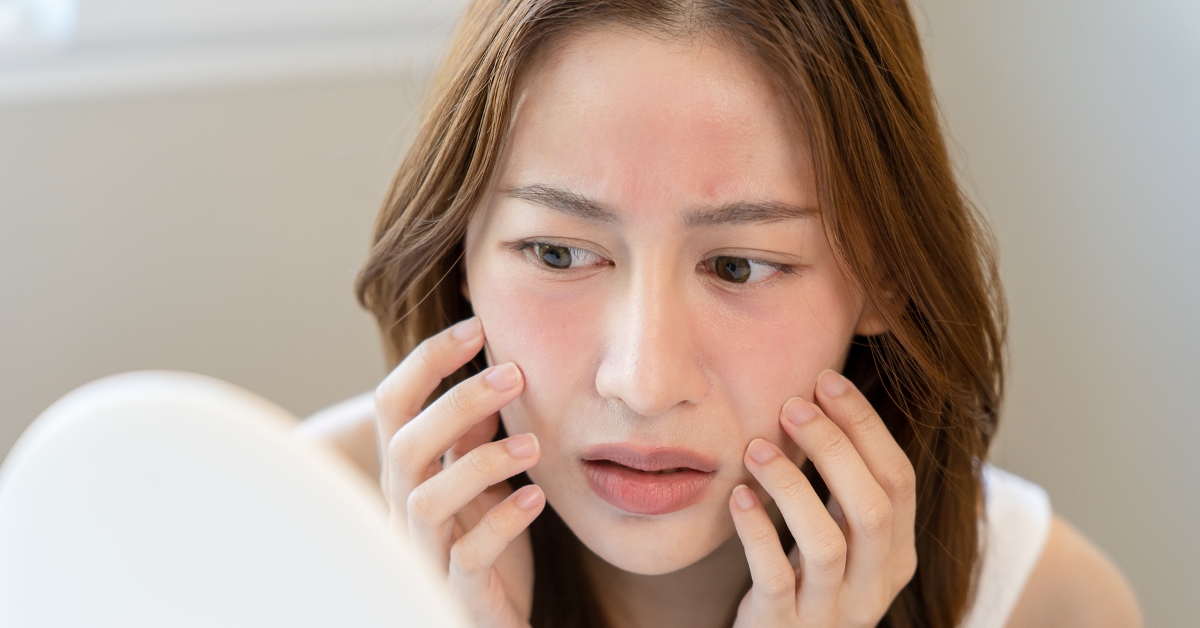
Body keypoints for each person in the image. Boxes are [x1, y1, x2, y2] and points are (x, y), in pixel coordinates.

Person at [300, 1, 1142, 626]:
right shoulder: (271, 524)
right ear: (459, 255)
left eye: (739, 265)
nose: (644, 381)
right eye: (558, 253)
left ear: (886, 280)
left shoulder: (1047, 604)